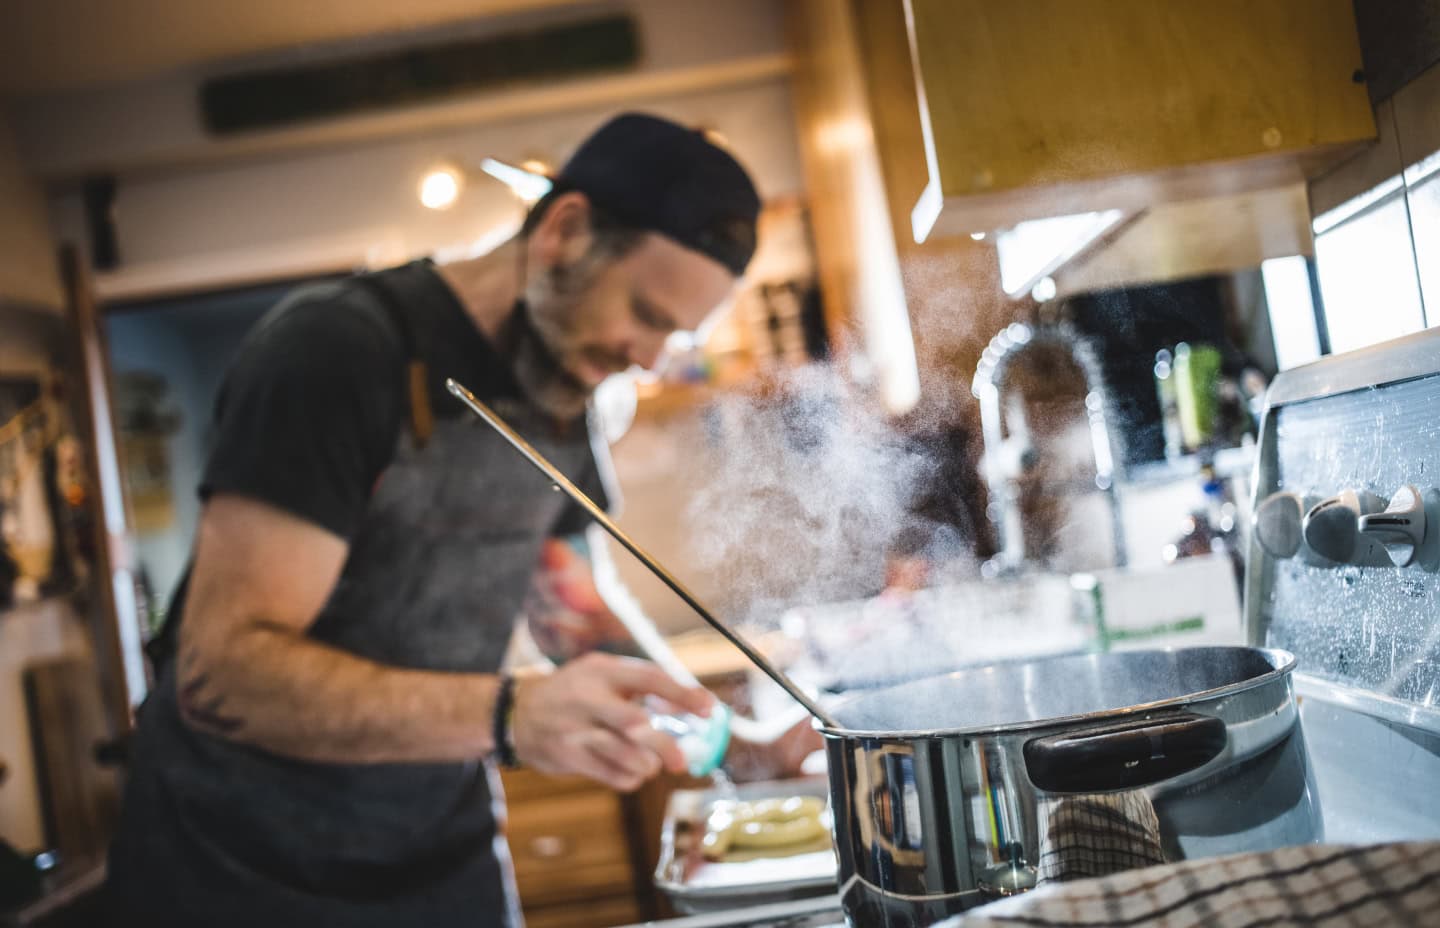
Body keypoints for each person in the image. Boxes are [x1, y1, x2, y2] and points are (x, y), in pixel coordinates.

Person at [106, 112, 761, 927]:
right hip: (238, 869)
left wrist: (734, 742)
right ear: (565, 230)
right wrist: (508, 714)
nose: (652, 358)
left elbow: (565, 600)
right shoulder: (335, 352)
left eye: (678, 334)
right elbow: (219, 678)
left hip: (439, 855)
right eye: (648, 314)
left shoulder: (565, 389)